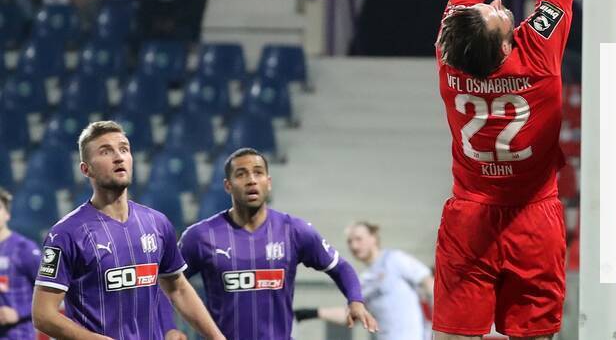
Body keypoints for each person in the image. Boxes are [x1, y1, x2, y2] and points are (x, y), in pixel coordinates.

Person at [432, 0, 588, 339]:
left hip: (469, 217)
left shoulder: (452, 55)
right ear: (505, 45)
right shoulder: (536, 53)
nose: (499, 3)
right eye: (499, 14)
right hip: (534, 218)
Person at [31, 121, 224, 340]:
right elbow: (43, 315)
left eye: (124, 149)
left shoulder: (157, 223)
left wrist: (218, 338)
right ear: (86, 169)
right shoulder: (65, 234)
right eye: (105, 151)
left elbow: (178, 288)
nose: (118, 157)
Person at [176, 147, 378, 338]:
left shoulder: (295, 230)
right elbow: (166, 284)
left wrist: (355, 301)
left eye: (258, 173)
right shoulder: (201, 236)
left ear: (268, 182)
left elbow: (340, 267)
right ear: (228, 185)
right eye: (241, 174)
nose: (251, 180)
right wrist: (168, 327)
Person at [294, 221, 433, 339]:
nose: (354, 246)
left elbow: (429, 284)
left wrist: (443, 326)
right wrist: (312, 312)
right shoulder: (363, 281)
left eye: (358, 239)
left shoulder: (394, 259)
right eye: (350, 242)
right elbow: (353, 314)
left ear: (373, 237)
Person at [0, 187, 41, 340]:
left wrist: (18, 311)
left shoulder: (24, 249)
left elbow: (50, 294)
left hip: (18, 335)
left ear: (7, 214)